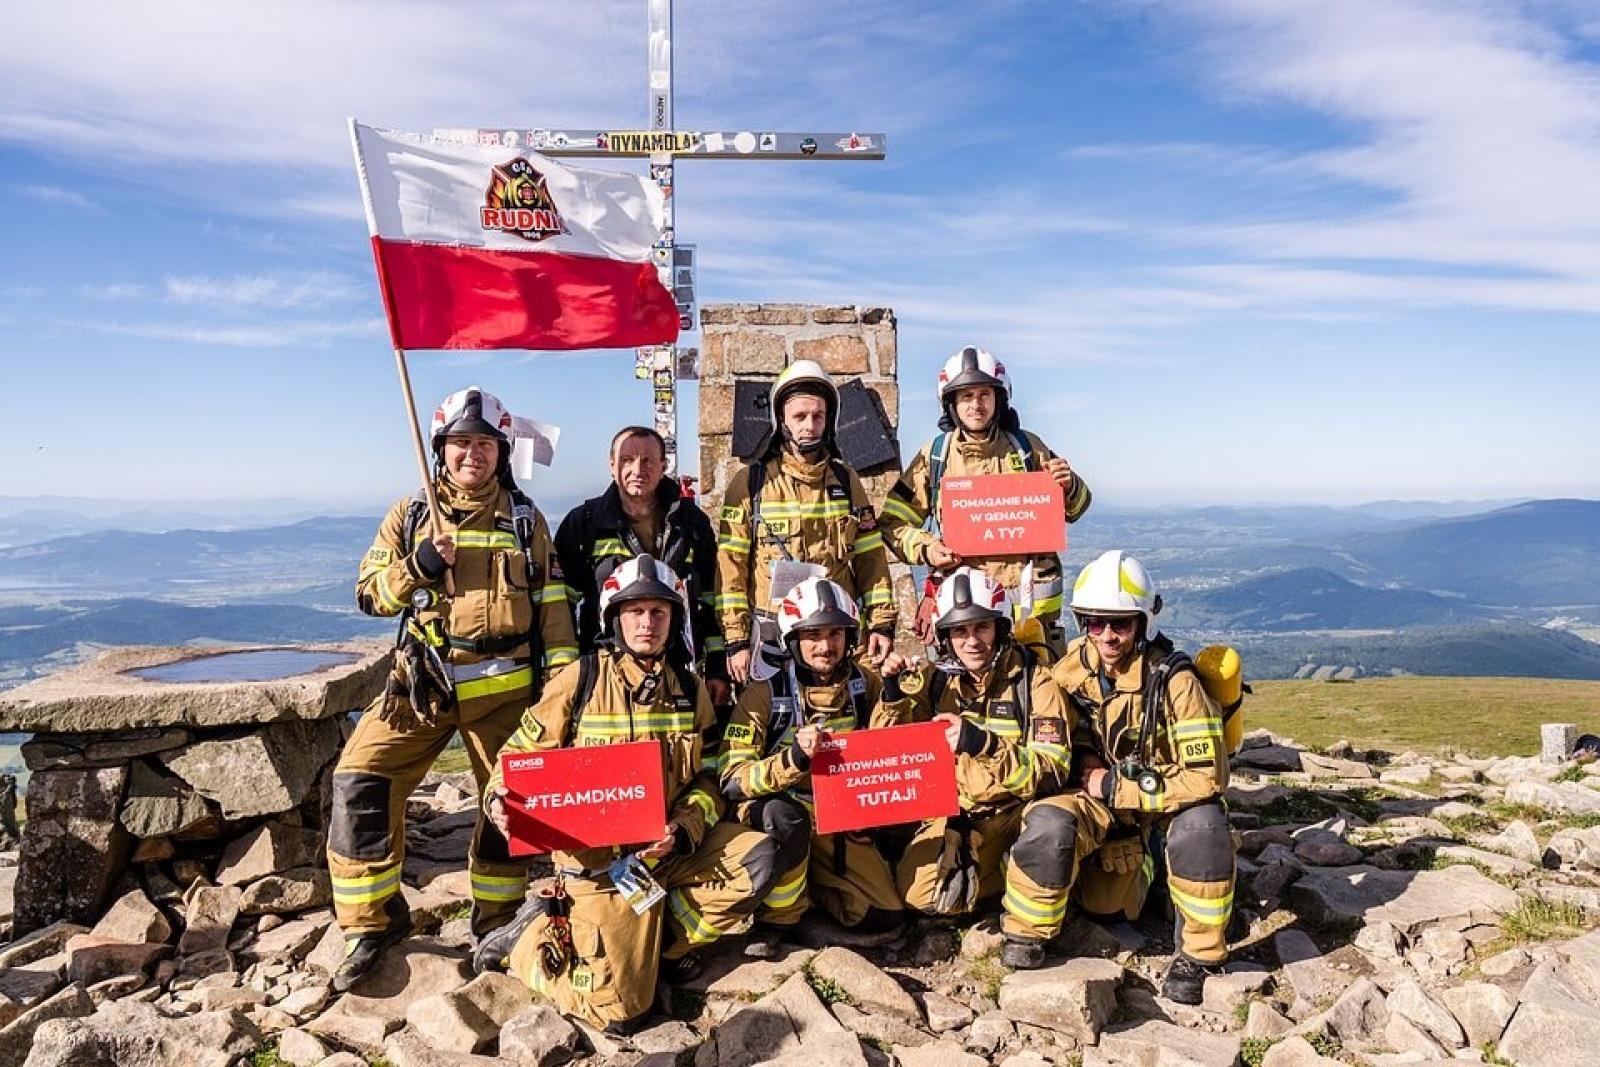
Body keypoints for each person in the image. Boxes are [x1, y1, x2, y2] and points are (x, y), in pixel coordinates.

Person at [329, 386, 578, 992]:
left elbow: (553, 609)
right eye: (461, 442)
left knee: (510, 806)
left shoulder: (526, 521)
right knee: (360, 781)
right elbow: (368, 595)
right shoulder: (411, 515)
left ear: (502, 452)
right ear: (440, 448)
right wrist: (417, 566)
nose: (473, 454)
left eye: (485, 444)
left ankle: (496, 923)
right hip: (422, 690)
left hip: (506, 694)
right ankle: (372, 925)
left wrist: (563, 691)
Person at [475, 556, 783, 1032]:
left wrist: (683, 828)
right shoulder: (579, 681)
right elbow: (516, 756)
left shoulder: (690, 689)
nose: (647, 623)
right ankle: (523, 943)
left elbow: (708, 779)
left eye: (659, 612)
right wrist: (499, 799)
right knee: (622, 1014)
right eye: (635, 611)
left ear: (674, 619)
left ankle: (664, 947)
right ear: (614, 618)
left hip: (666, 855)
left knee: (758, 858)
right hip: (599, 868)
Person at [1051, 550, 1235, 1004]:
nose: (1107, 636)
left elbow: (1207, 779)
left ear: (1142, 624)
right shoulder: (1072, 667)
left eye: (1120, 624)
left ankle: (1200, 955)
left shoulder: (1175, 682)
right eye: (1096, 623)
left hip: (1166, 802)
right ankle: (1156, 877)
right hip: (1113, 812)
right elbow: (1061, 729)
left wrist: (1116, 786)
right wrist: (1086, 758)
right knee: (1108, 908)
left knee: (1203, 828)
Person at [718, 577, 915, 957]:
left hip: (839, 815)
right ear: (793, 640)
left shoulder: (864, 684)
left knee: (883, 916)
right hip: (779, 810)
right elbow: (731, 779)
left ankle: (813, 893)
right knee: (783, 817)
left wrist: (892, 693)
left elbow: (889, 755)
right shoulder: (764, 693)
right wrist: (792, 759)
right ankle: (777, 920)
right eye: (813, 635)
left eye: (835, 634)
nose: (826, 646)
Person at [895, 568, 1075, 930]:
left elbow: (1052, 774)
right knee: (920, 897)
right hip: (958, 816)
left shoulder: (1034, 683)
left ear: (1000, 628)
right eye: (960, 631)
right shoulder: (936, 682)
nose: (972, 641)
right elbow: (896, 756)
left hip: (1014, 813)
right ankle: (996, 878)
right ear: (945, 637)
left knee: (1049, 838)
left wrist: (984, 744)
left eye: (982, 627)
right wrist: (892, 692)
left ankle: (1020, 875)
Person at [879, 345, 1091, 645]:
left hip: (1033, 624)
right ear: (951, 404)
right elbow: (893, 522)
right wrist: (928, 548)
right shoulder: (934, 457)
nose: (976, 405)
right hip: (968, 623)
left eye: (984, 395)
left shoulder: (1027, 448)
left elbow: (1078, 508)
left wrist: (1068, 486)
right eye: (966, 396)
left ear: (998, 399)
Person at [715, 360, 897, 683]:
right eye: (799, 417)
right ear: (781, 420)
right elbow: (731, 567)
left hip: (834, 637)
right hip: (771, 639)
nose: (809, 426)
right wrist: (737, 641)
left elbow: (871, 558)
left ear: (830, 420)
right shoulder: (750, 484)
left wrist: (881, 624)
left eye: (818, 416)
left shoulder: (846, 480)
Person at [555, 425, 729, 706]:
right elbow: (560, 608)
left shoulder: (692, 523)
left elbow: (711, 600)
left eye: (648, 461)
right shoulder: (583, 524)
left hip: (679, 670)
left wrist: (718, 667)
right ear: (612, 465)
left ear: (663, 466)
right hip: (605, 675)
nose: (638, 469)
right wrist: (569, 673)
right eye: (627, 460)